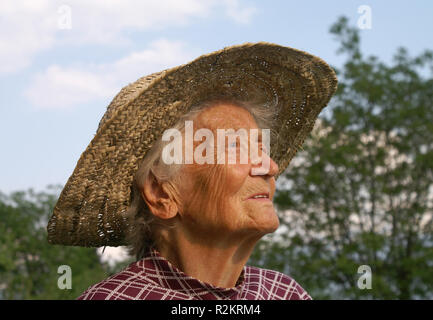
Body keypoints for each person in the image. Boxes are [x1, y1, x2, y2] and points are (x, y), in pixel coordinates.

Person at [47, 42, 337, 300]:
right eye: (235, 146)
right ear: (161, 193)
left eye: (262, 149)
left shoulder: (284, 293)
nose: (270, 167)